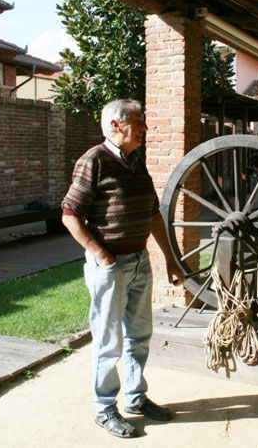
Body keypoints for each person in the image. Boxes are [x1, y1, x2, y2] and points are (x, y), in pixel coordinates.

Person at [61, 99, 185, 438]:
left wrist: (171, 260)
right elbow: (70, 214)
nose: (144, 127)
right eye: (138, 121)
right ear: (116, 126)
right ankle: (104, 409)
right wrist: (101, 254)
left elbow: (153, 214)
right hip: (111, 266)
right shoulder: (93, 161)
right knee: (108, 340)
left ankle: (134, 397)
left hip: (139, 261)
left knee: (140, 335)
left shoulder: (136, 162)